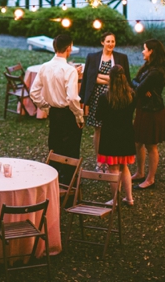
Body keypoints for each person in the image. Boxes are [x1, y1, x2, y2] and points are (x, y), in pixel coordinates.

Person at [30, 33, 84, 183]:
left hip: (54, 113)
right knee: (71, 149)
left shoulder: (44, 67)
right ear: (69, 48)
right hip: (68, 114)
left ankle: (54, 180)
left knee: (55, 145)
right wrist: (79, 116)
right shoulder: (69, 70)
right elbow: (73, 98)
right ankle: (69, 183)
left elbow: (33, 92)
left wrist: (46, 106)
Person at [79, 32, 131, 170]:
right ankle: (99, 160)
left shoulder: (121, 57)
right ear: (102, 42)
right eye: (108, 41)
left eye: (113, 41)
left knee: (112, 129)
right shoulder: (93, 57)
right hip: (97, 97)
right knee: (98, 129)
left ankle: (113, 158)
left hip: (116, 97)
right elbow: (89, 78)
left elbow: (125, 78)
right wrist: (83, 100)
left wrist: (99, 77)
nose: (110, 44)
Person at [131, 39, 165, 190]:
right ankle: (140, 172)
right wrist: (139, 86)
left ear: (152, 51)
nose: (143, 51)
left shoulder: (156, 72)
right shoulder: (149, 67)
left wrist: (140, 87)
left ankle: (150, 179)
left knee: (150, 145)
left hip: (152, 110)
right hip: (143, 108)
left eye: (145, 49)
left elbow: (139, 89)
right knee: (137, 142)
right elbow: (134, 82)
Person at [95, 64, 136, 206]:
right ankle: (129, 198)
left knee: (113, 169)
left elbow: (98, 116)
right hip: (126, 135)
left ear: (110, 79)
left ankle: (115, 200)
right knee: (124, 167)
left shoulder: (105, 97)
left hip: (110, 137)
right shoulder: (131, 95)